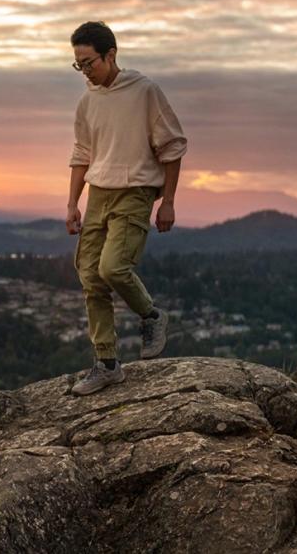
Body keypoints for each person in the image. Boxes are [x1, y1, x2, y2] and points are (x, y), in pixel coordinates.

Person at [66, 21, 187, 396]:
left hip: (136, 191)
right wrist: (72, 203)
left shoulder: (145, 90)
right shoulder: (87, 101)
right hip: (99, 192)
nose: (85, 71)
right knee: (90, 276)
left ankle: (152, 316)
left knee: (113, 267)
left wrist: (168, 201)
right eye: (78, 65)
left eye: (89, 63)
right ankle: (106, 364)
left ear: (111, 55)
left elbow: (173, 146)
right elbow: (82, 154)